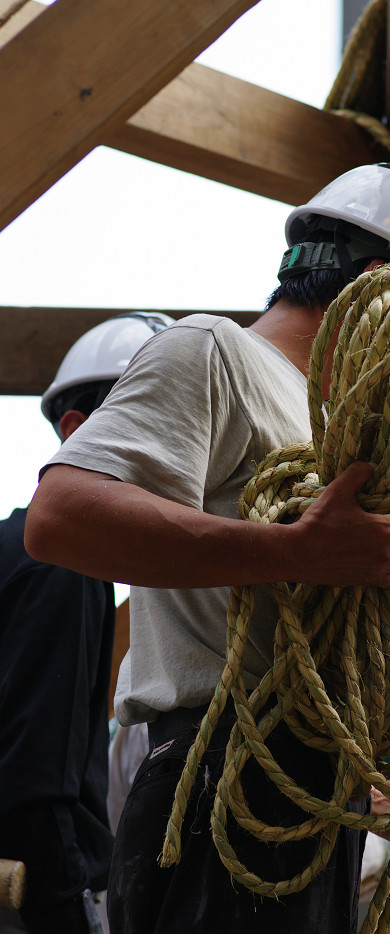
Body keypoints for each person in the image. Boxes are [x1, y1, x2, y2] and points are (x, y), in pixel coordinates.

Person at [25, 165, 390, 934]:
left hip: (306, 799)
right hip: (215, 785)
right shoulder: (214, 353)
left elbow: (293, 659)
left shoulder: (332, 427)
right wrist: (298, 551)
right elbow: (61, 516)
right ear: (385, 288)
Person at [0, 313, 172, 934]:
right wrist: (71, 917)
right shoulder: (61, 567)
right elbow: (39, 789)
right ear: (77, 432)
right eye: (162, 429)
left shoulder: (16, 553)